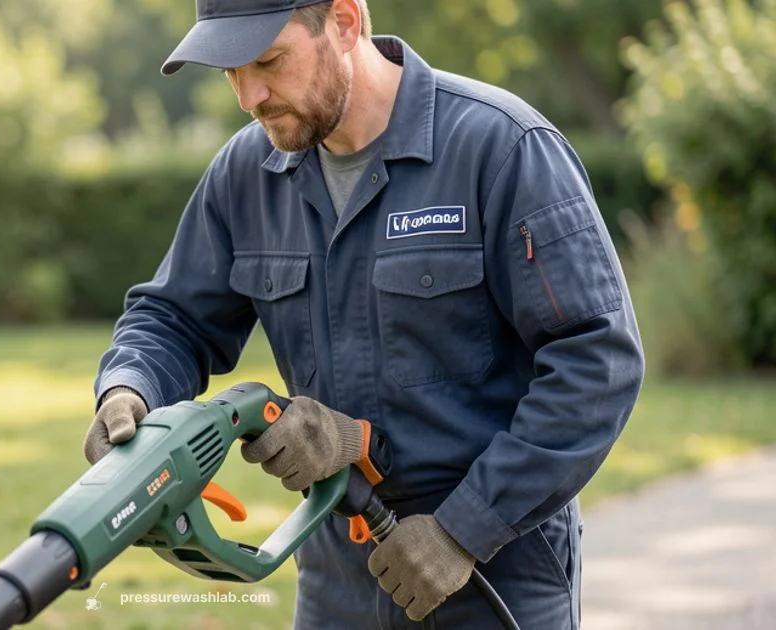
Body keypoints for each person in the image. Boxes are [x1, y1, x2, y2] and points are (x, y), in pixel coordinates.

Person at [82, 0, 646, 627]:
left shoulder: (501, 147)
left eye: (268, 61)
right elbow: (173, 320)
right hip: (335, 578)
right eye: (231, 72)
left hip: (494, 572)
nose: (248, 97)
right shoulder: (246, 176)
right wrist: (129, 387)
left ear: (346, 22)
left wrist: (464, 529)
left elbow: (597, 360)